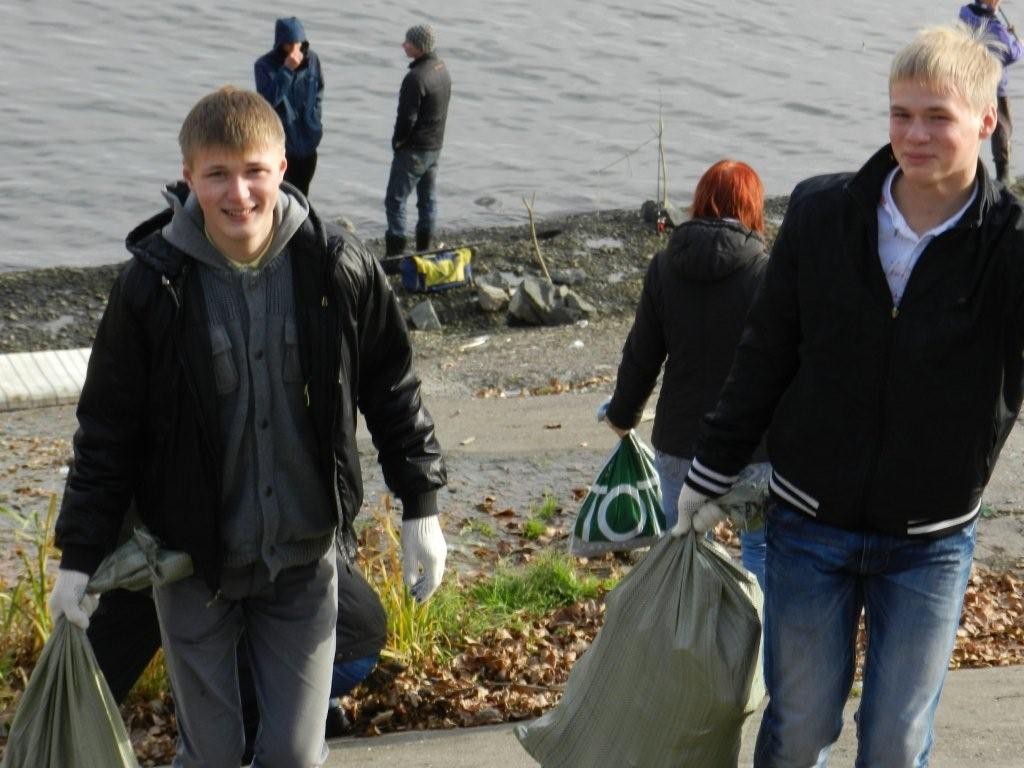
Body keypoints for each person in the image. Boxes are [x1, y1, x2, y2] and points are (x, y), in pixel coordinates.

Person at [49, 85, 447, 768]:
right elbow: (106, 433)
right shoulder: (151, 289)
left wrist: (422, 504)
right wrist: (78, 558)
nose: (239, 194)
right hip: (193, 568)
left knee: (294, 756)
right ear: (188, 177)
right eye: (217, 175)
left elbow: (392, 387)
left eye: (255, 171)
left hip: (302, 562)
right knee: (213, 757)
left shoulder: (337, 267)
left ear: (283, 169)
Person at [673, 24, 1024, 766]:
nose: (914, 134)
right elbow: (765, 352)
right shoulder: (823, 212)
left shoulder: (1010, 245)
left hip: (930, 539)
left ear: (986, 120)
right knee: (799, 727)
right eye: (901, 114)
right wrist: (708, 473)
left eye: (938, 116)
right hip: (808, 524)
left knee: (896, 742)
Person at [601, 160, 770, 588]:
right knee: (761, 550)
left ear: (701, 203)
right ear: (752, 207)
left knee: (684, 549)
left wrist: (623, 416)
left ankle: (689, 644)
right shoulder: (764, 270)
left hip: (680, 443)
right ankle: (761, 646)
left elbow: (642, 355)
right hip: (753, 448)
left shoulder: (665, 267)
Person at [87, 553, 387, 759]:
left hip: (338, 649)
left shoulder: (156, 561)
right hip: (357, 637)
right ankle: (318, 711)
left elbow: (100, 671)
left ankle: (276, 720)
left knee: (218, 727)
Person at [383, 23, 452, 262]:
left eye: (408, 42)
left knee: (395, 199)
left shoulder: (415, 78)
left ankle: (395, 254)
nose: (404, 45)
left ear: (420, 47)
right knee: (428, 199)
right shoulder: (441, 69)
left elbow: (406, 119)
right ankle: (425, 249)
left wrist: (398, 142)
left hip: (414, 150)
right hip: (435, 147)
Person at [255, 16, 324, 196]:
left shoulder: (312, 60)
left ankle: (303, 225)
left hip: (308, 142)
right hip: (283, 145)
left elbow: (319, 91)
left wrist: (315, 121)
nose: (295, 49)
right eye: (290, 44)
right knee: (281, 197)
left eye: (298, 43)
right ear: (281, 44)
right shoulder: (264, 66)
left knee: (303, 197)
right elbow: (266, 102)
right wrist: (286, 70)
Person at [959, 1, 1024, 182]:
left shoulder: (966, 12)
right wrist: (1018, 42)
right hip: (995, 87)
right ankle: (1003, 176)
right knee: (1002, 127)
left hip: (970, 81)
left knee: (970, 125)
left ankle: (965, 168)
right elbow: (1011, 53)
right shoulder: (993, 23)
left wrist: (1006, 34)